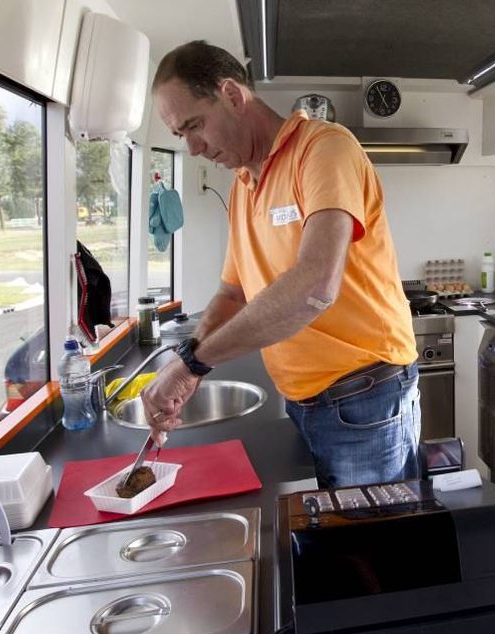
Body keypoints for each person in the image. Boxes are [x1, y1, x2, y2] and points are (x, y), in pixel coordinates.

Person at [141, 41, 420, 488]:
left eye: (195, 125)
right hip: (303, 399)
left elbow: (315, 286)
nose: (192, 147)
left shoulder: (324, 150)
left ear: (232, 95)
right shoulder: (244, 184)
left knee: (373, 550)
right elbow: (233, 293)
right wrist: (185, 359)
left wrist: (193, 364)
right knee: (330, 546)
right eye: (180, 136)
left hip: (364, 398)